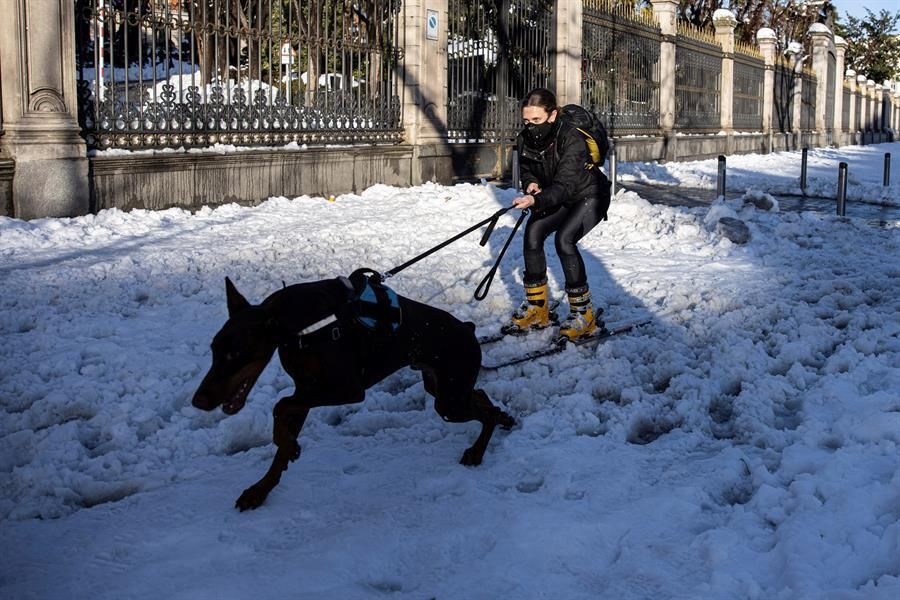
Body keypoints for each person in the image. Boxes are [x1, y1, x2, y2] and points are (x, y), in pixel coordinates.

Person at [506, 88, 611, 341]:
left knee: (564, 240)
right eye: (527, 121)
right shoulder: (525, 138)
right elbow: (529, 169)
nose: (530, 127)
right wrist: (530, 184)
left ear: (552, 115)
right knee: (533, 233)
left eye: (537, 121)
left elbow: (566, 185)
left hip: (589, 195)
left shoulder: (571, 137)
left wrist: (536, 199)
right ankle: (537, 308)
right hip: (557, 195)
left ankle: (583, 313)